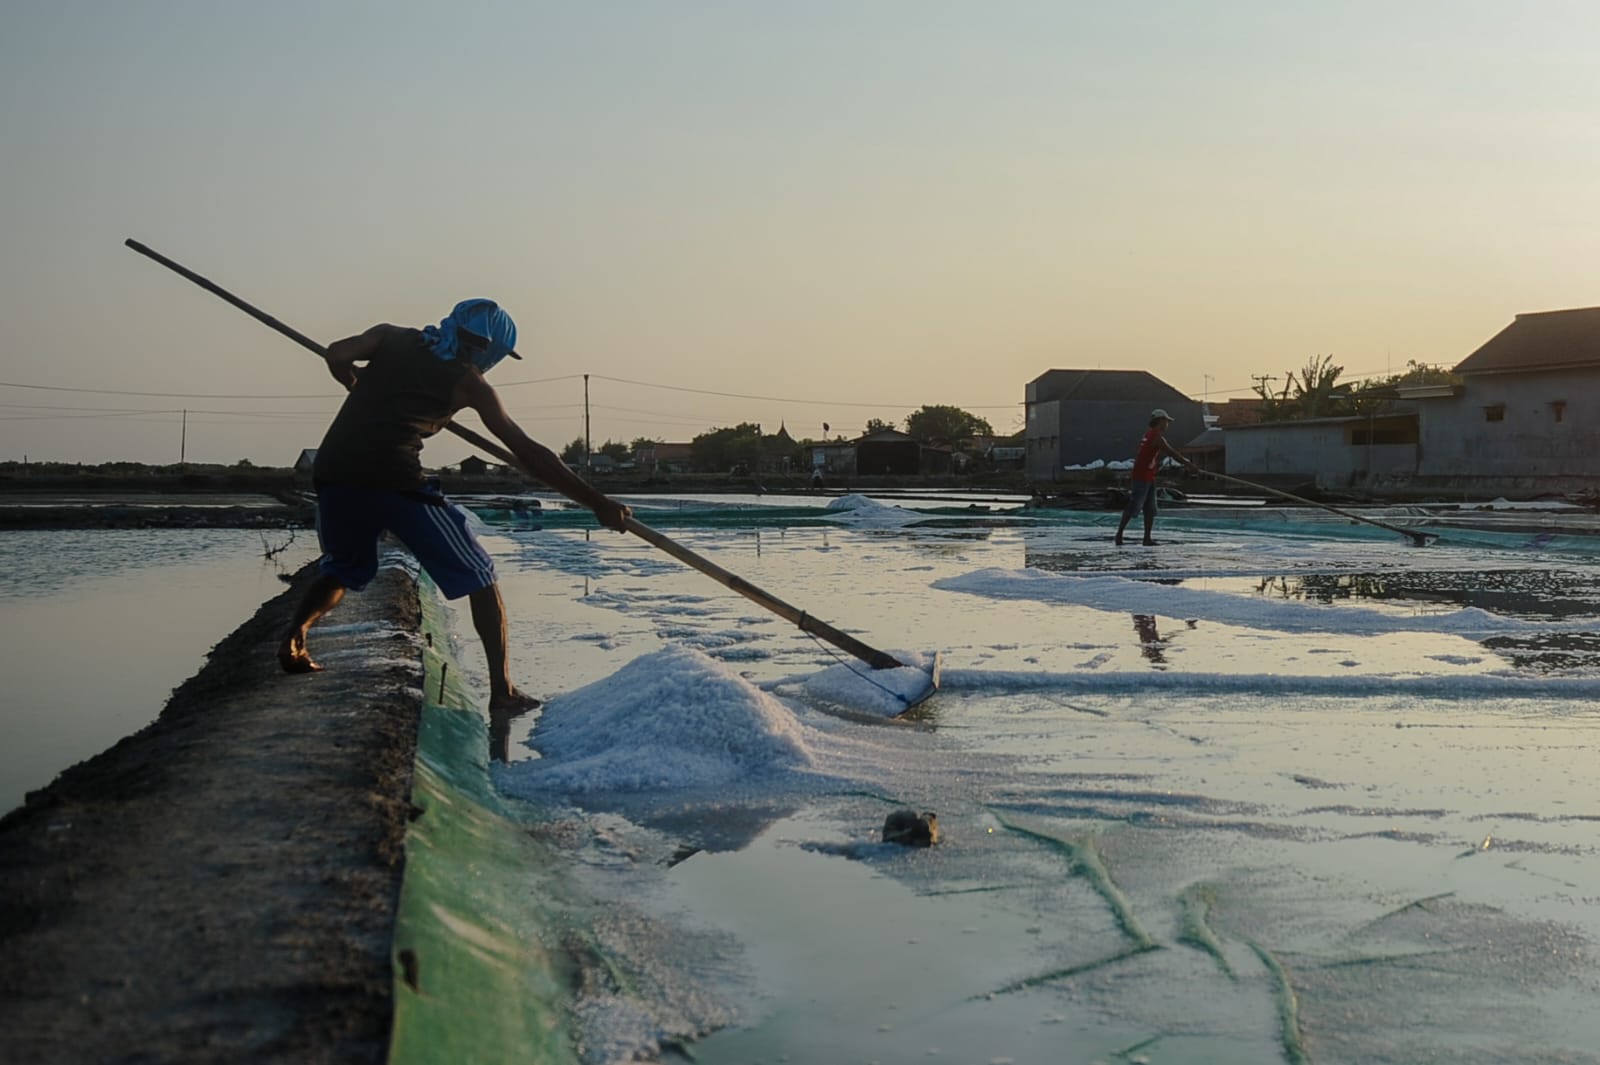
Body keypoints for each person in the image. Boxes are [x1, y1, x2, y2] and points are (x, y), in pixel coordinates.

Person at [277, 298, 632, 730]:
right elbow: (529, 454)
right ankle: (503, 692)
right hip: (395, 478)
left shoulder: (392, 337)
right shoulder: (470, 383)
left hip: (334, 471)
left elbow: (336, 353)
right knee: (481, 575)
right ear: (489, 349)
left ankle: (297, 633)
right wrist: (597, 502)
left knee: (344, 567)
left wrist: (355, 382)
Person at [1114, 408, 1192, 546]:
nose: (1167, 424)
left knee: (1150, 508)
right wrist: (1188, 464)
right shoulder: (1155, 436)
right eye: (1166, 421)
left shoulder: (1149, 434)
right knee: (1134, 505)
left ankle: (1147, 538)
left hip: (1148, 476)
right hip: (1141, 476)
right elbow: (1171, 452)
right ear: (1160, 421)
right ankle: (1119, 535)